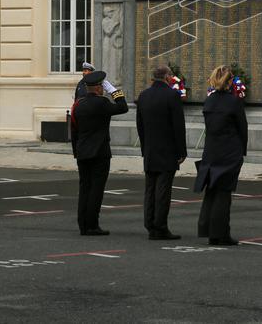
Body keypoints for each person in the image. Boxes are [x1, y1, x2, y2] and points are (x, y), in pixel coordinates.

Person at [194, 65, 247, 246]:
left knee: (211, 191)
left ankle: (209, 230)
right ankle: (220, 233)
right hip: (229, 151)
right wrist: (241, 151)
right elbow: (242, 128)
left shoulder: (210, 101)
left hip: (211, 150)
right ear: (230, 81)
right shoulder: (233, 102)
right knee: (224, 194)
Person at [70, 70, 128, 236]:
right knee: (96, 189)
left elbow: (74, 131)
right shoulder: (102, 103)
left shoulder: (78, 105)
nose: (103, 89)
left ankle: (83, 224)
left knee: (84, 189)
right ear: (98, 88)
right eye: (103, 86)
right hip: (99, 153)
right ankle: (92, 225)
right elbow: (123, 107)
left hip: (82, 152)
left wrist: (76, 152)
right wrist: (114, 91)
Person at [135, 65, 187, 240]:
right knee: (163, 191)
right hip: (167, 150)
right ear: (167, 77)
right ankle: (160, 227)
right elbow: (178, 126)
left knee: (150, 190)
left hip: (150, 149)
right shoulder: (172, 96)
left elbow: (140, 125)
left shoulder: (144, 95)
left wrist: (145, 148)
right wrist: (182, 151)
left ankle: (150, 224)